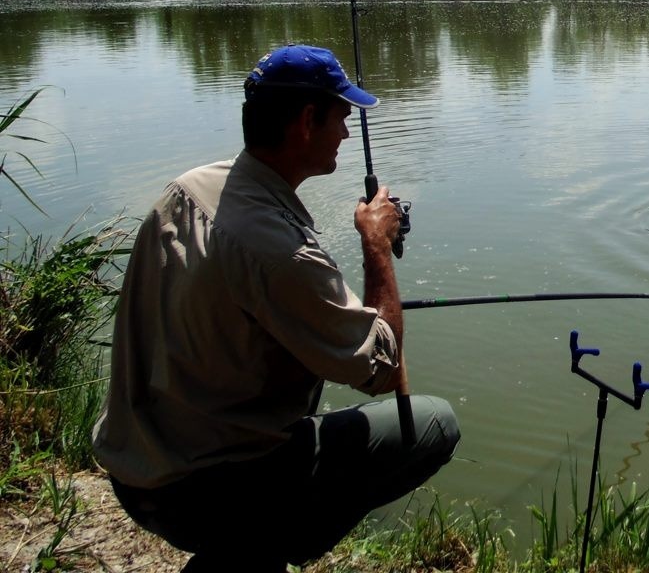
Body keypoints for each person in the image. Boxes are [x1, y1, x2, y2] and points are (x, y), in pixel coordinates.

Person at [92, 44, 460, 572]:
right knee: (434, 425)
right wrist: (376, 247)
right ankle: (254, 551)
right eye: (340, 117)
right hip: (196, 493)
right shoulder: (276, 250)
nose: (347, 133)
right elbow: (379, 366)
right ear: (307, 121)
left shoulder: (188, 189)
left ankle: (243, 548)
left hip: (134, 466)